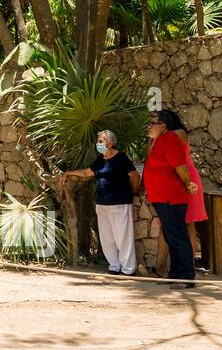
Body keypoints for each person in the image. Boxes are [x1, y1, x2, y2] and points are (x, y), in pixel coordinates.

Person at [63, 130, 141, 275]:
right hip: (102, 203)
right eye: (98, 141)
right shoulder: (101, 159)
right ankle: (114, 265)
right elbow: (87, 173)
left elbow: (134, 175)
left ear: (110, 143)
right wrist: (69, 173)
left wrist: (133, 192)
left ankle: (128, 268)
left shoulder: (121, 158)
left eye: (101, 141)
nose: (98, 143)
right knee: (107, 237)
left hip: (120, 202)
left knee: (123, 236)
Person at [143, 110, 200, 289]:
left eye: (153, 123)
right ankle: (175, 272)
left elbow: (180, 167)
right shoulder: (158, 141)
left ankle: (187, 276)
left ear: (164, 125)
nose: (149, 126)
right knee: (170, 235)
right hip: (161, 197)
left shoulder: (171, 139)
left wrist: (188, 184)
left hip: (171, 197)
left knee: (178, 235)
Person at [155, 109, 209, 276]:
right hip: (170, 180)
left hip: (186, 178)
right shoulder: (159, 138)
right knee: (166, 224)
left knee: (188, 223)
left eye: (155, 122)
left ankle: (187, 266)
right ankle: (161, 267)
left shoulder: (179, 134)